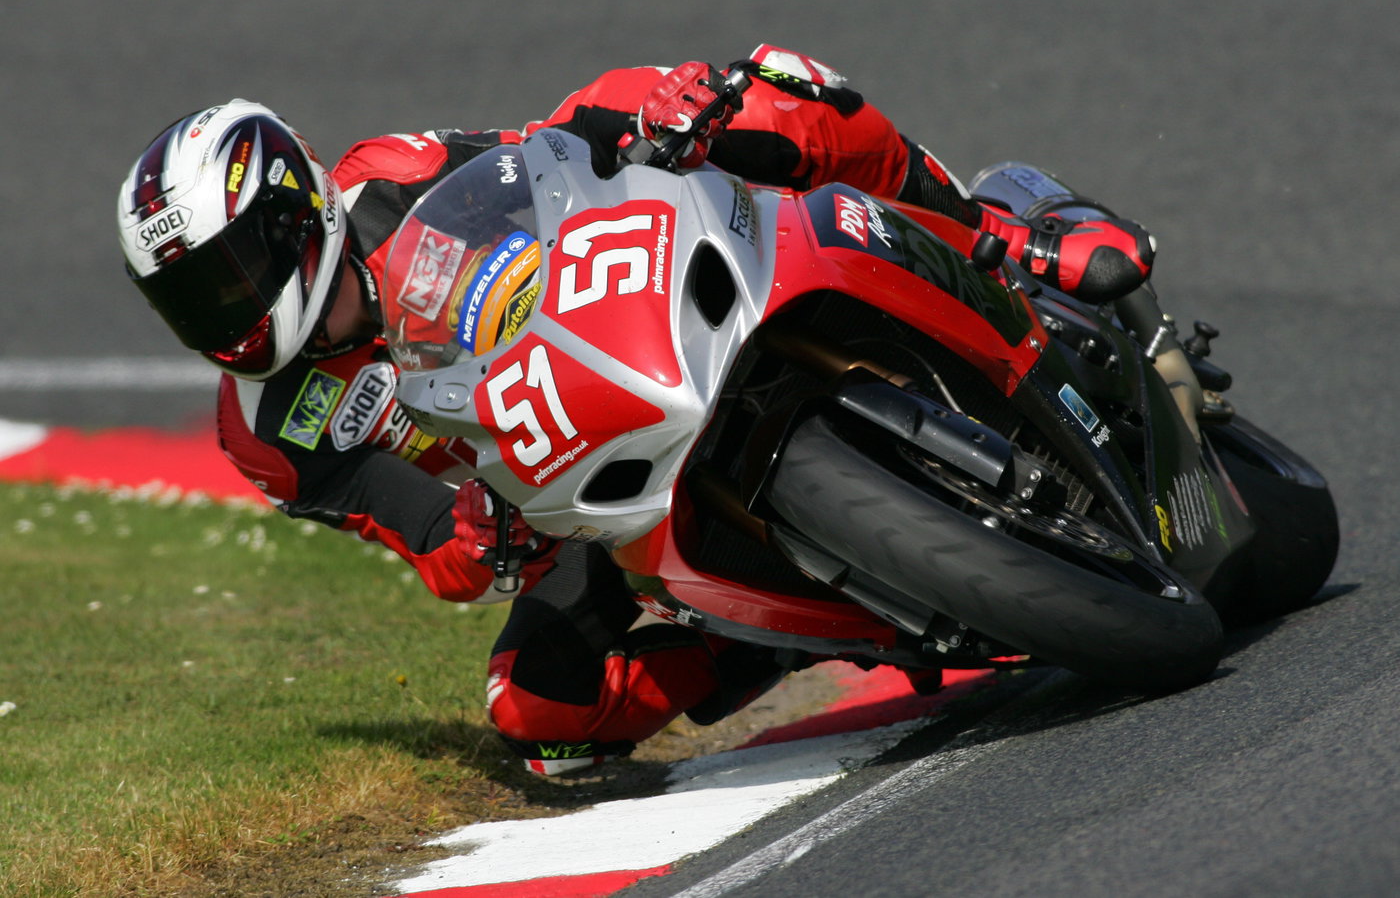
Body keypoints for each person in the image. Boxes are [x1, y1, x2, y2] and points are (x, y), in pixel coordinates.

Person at [115, 45, 1157, 775]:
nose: (233, 311)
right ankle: (776, 633)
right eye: (194, 299)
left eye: (234, 270)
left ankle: (996, 236)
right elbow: (423, 536)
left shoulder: (391, 177)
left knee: (777, 93)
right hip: (548, 491)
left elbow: (551, 157)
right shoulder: (266, 433)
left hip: (619, 329)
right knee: (537, 711)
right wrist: (481, 541)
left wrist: (658, 108)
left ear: (296, 208)